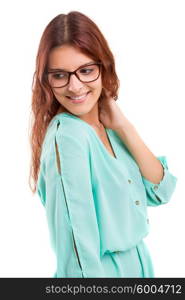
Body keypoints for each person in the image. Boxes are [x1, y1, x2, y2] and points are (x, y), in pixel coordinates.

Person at [29, 11, 177, 278]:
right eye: (60, 75)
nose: (75, 86)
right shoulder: (68, 138)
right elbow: (76, 249)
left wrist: (124, 126)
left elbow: (161, 191)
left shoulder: (110, 128)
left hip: (140, 268)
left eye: (86, 70)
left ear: (103, 67)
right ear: (47, 81)